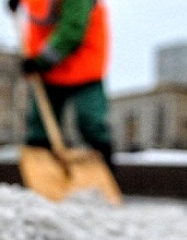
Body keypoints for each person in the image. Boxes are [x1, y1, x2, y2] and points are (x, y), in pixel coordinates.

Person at [8, 0, 116, 176]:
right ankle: (42, 176)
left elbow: (72, 31)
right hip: (50, 72)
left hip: (84, 68)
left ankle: (106, 173)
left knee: (91, 122)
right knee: (39, 128)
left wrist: (40, 61)